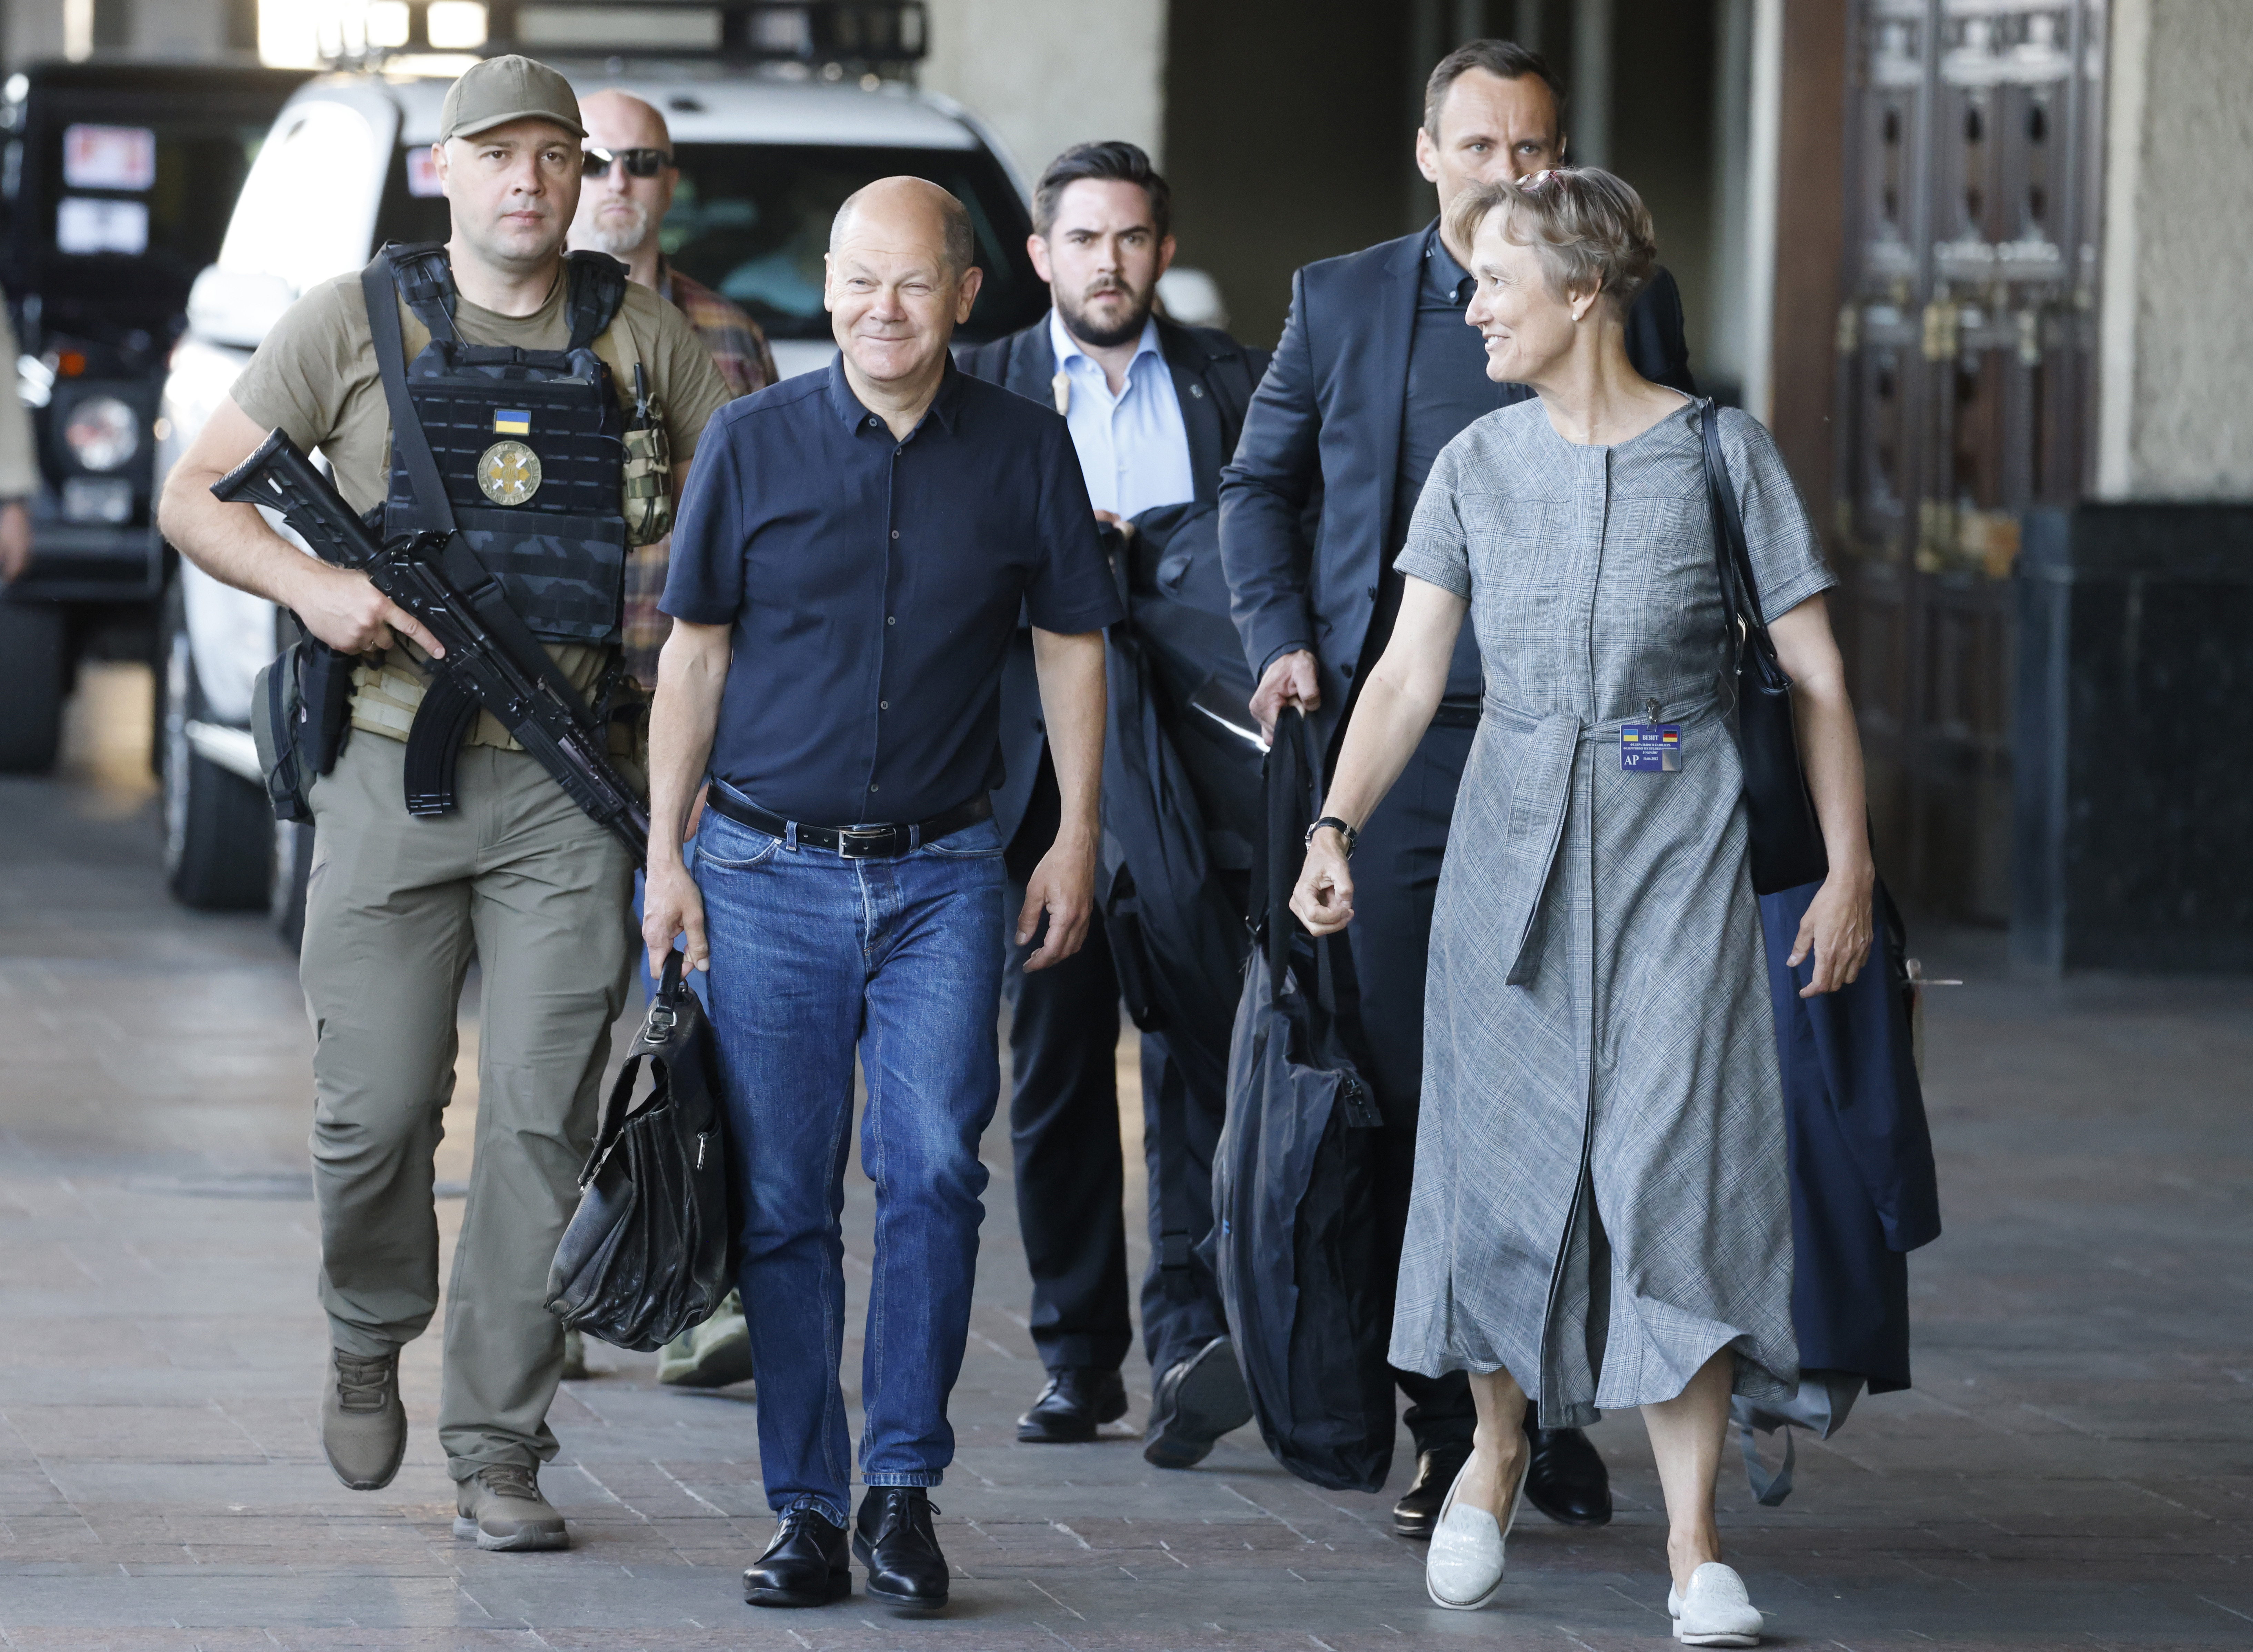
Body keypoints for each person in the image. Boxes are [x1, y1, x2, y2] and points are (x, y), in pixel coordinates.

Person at [156, 56, 730, 1552]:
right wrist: (315, 586)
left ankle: (499, 1446)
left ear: (582, 174)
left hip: (569, 791)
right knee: (372, 1114)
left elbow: (744, 519)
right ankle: (367, 1330)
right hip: (383, 773)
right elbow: (194, 492)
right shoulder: (350, 320)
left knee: (540, 1124)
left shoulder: (644, 335)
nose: (529, 181)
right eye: (498, 155)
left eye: (555, 156)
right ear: (447, 172)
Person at [1290, 166, 1870, 1639]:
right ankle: (1494, 1447)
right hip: (1508, 852)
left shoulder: (1722, 455)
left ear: (1585, 289)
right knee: (1498, 1169)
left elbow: (1812, 675)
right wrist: (1335, 822)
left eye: (1496, 281)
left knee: (1679, 1177)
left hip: (1681, 850)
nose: (1473, 307)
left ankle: (1694, 1548)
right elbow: (1407, 674)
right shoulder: (1474, 464)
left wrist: (1849, 865)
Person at [1219, 38, 1684, 1538]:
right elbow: (1259, 485)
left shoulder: (1623, 295)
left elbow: (1670, 502)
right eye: (1478, 147)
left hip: (1581, 748)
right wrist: (1282, 640)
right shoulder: (1342, 298)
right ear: (1427, 155)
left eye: (1532, 149)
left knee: (1580, 1082)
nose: (1507, 174)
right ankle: (1451, 1424)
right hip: (1402, 740)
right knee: (1416, 1083)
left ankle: (1551, 1410)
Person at [641, 177, 1120, 1615]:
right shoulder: (752, 440)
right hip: (761, 873)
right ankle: (805, 1507)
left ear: (967, 293)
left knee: (934, 1174)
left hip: (943, 875)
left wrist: (1075, 834)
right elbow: (694, 655)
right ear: (826, 290)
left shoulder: (1026, 450)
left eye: (911, 282)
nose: (881, 309)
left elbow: (1071, 646)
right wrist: (664, 854)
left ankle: (901, 1489)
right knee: (785, 1200)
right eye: (856, 280)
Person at [958, 141, 1268, 1458]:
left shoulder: (1235, 383)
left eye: (1132, 238)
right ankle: (1078, 1358)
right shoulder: (979, 386)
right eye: (1083, 239)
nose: (1109, 262)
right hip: (1041, 776)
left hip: (1200, 775)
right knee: (1059, 1057)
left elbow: (1271, 557)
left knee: (1204, 1045)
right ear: (1040, 257)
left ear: (1165, 251)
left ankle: (1193, 1334)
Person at [564, 85, 776, 1394]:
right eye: (593, 161)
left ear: (670, 182)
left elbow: (777, 537)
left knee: (702, 1010)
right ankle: (558, 1284)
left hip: (695, 723)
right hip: (548, 721)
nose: (616, 184)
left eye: (640, 164)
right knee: (561, 1014)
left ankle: (700, 1293)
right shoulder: (513, 327)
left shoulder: (728, 337)